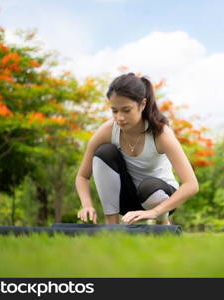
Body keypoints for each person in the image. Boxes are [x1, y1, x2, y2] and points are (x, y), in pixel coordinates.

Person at [75, 73, 199, 225]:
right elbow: (82, 177)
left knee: (149, 187)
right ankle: (112, 228)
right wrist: (87, 205)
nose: (119, 117)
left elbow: (191, 184)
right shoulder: (107, 130)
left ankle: (162, 223)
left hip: (158, 197)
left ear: (142, 104)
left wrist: (155, 212)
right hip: (127, 198)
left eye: (126, 110)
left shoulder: (161, 134)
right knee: (104, 153)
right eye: (114, 110)